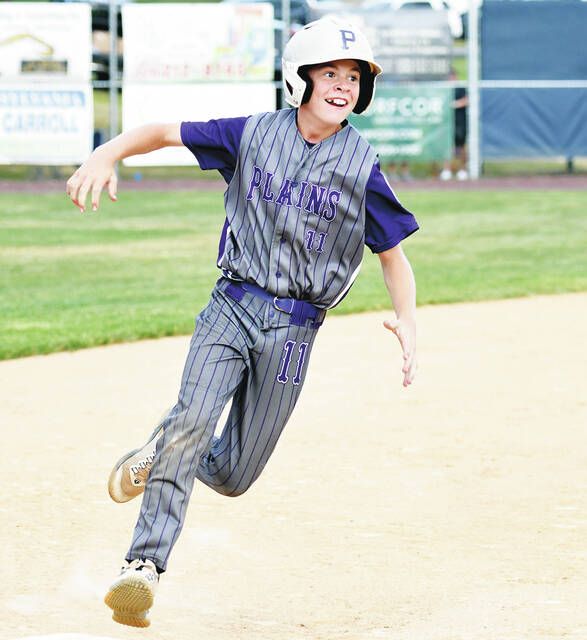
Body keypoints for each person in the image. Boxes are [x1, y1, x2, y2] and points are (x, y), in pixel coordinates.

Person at [66, 17, 419, 628]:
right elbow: (160, 133)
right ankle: (142, 566)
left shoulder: (362, 165)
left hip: (294, 332)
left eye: (353, 76)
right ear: (300, 78)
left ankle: (162, 446)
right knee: (196, 417)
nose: (342, 85)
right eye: (330, 73)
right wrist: (107, 152)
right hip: (232, 305)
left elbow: (393, 254)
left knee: (232, 473)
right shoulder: (251, 134)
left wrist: (408, 322)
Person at [440, 68, 469, 181]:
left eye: (453, 77)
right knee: (448, 147)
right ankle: (447, 170)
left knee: (461, 147)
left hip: (460, 122)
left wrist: (454, 104)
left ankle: (463, 170)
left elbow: (467, 100)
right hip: (447, 124)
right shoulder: (444, 90)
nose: (451, 79)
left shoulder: (460, 88)